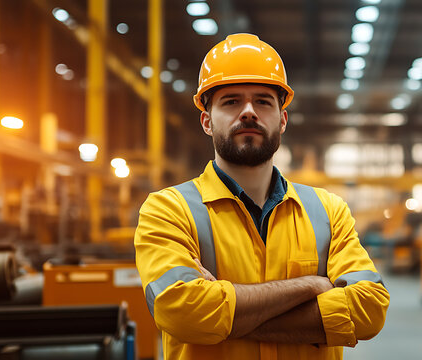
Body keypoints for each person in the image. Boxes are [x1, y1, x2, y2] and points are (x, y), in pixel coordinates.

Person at [134, 33, 389, 359]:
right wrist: (310, 286)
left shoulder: (328, 210)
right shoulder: (168, 210)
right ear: (206, 121)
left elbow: (369, 311)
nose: (249, 112)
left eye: (263, 101)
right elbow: (181, 313)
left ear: (281, 120)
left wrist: (227, 315)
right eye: (231, 101)